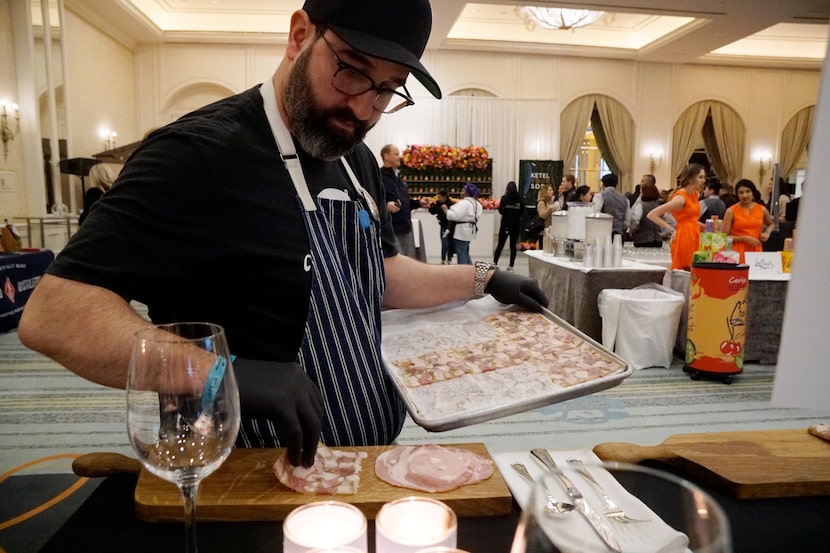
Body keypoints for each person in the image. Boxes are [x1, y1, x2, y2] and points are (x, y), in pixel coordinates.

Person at [18, 0, 548, 468]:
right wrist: (225, 374)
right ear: (299, 35)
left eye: (386, 91)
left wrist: (483, 277)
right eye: (352, 72)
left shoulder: (354, 158)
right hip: (238, 468)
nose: (363, 109)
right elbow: (54, 314)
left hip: (361, 463)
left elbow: (377, 275)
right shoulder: (197, 155)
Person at [647, 163, 706, 270]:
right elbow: (652, 214)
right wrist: (671, 230)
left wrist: (698, 224)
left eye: (704, 177)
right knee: (685, 268)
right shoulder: (680, 198)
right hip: (684, 236)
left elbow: (688, 217)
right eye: (700, 177)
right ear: (691, 178)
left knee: (696, 269)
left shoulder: (695, 194)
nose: (703, 181)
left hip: (695, 234)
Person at [380, 143, 426, 258]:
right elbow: (373, 199)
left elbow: (405, 201)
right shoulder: (379, 176)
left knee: (404, 258)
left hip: (404, 227)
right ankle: (480, 274)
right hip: (391, 228)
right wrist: (386, 206)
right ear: (386, 156)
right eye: (396, 154)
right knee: (397, 260)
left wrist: (419, 203)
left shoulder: (398, 178)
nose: (399, 157)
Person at [723, 179, 775, 263]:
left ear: (753, 193)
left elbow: (771, 224)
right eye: (741, 193)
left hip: (756, 248)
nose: (745, 195)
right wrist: (744, 238)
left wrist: (767, 233)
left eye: (748, 191)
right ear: (737, 195)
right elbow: (724, 237)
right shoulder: (731, 211)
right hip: (736, 251)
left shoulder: (762, 209)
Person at [446, 182, 483, 265]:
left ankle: (463, 270)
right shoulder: (477, 204)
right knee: (465, 251)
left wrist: (446, 212)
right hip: (469, 230)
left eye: (463, 191)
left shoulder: (464, 203)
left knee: (460, 251)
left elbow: (455, 215)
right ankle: (470, 268)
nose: (461, 193)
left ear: (467, 193)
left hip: (461, 231)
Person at [493, 181, 524, 271]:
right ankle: (511, 265)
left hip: (505, 224)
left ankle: (495, 262)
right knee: (512, 246)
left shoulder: (504, 198)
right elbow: (522, 212)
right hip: (515, 225)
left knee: (500, 244)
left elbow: (501, 210)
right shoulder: (519, 199)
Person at [629, 178, 665, 248]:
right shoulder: (659, 205)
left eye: (641, 192)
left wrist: (632, 229)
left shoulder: (641, 205)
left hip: (643, 239)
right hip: (657, 239)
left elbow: (636, 219)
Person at [427, 189, 454, 264]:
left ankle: (449, 259)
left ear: (444, 196)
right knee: (443, 243)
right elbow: (433, 211)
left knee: (448, 243)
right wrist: (431, 207)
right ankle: (443, 259)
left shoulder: (450, 204)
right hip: (443, 225)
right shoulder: (438, 203)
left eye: (440, 197)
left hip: (450, 226)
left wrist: (445, 210)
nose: (438, 199)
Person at [536, 183, 555, 249]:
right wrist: (549, 208)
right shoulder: (541, 202)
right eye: (549, 190)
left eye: (552, 190)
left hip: (551, 230)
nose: (552, 191)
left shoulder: (552, 202)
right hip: (543, 230)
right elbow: (542, 215)